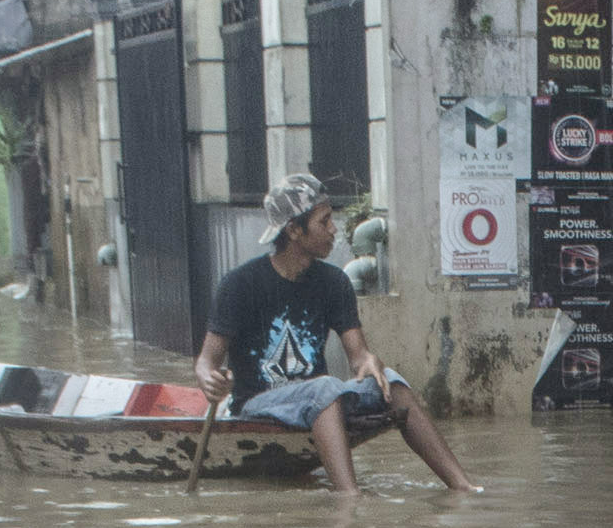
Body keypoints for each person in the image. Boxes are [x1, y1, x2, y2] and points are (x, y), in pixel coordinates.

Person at [192, 175, 476, 493]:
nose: (333, 229)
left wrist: (369, 363)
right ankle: (348, 499)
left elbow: (358, 355)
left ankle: (463, 486)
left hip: (320, 402)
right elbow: (206, 362)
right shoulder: (240, 285)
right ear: (294, 231)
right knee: (324, 388)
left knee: (391, 382)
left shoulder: (334, 283)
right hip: (259, 403)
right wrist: (210, 379)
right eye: (324, 221)